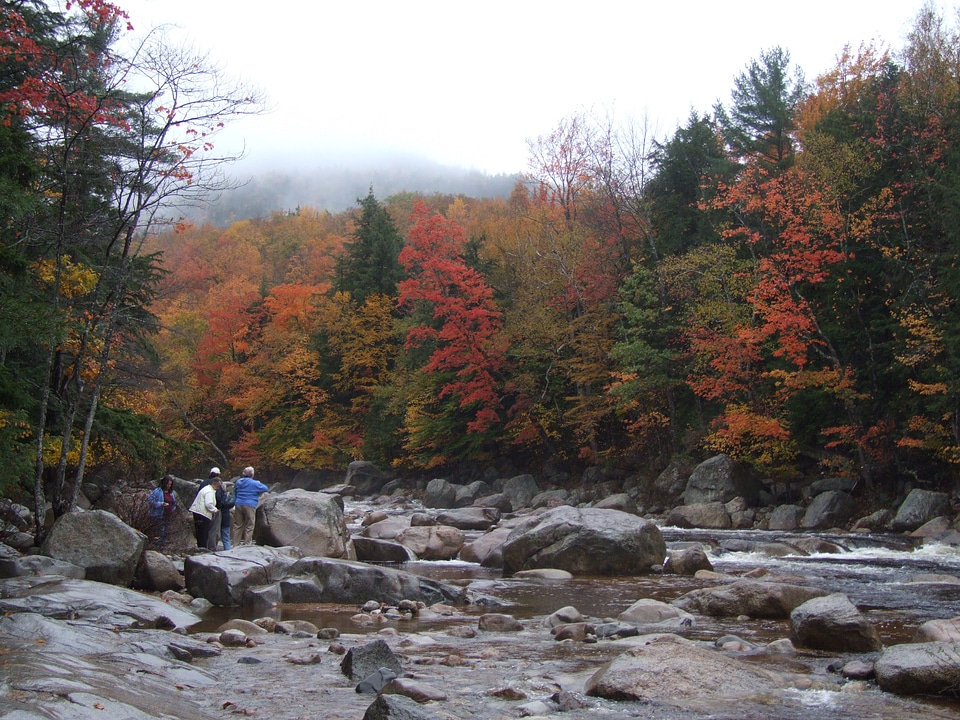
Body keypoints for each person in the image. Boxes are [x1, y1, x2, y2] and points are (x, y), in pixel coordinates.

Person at [232, 466, 268, 546]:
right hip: (250, 504)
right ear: (252, 475)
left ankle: (235, 544)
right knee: (249, 525)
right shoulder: (255, 483)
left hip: (238, 503)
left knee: (238, 525)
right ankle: (247, 544)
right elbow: (265, 488)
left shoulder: (238, 482)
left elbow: (235, 490)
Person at [189, 475, 221, 551]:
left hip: (198, 512)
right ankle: (203, 549)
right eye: (218, 486)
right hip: (202, 514)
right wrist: (215, 510)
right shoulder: (210, 491)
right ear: (214, 484)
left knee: (200, 532)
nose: (218, 488)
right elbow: (208, 503)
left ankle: (201, 547)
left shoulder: (206, 488)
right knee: (203, 532)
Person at [147, 475, 177, 550]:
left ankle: (162, 547)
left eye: (170, 484)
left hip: (168, 514)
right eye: (168, 484)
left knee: (166, 532)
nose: (169, 486)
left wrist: (172, 508)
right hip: (157, 514)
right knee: (158, 532)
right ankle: (156, 547)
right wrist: (160, 504)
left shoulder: (171, 492)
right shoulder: (157, 491)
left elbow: (174, 502)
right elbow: (150, 500)